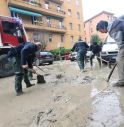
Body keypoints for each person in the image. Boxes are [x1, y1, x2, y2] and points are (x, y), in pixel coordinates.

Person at [96, 15, 124, 86]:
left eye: (100, 30)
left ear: (104, 27)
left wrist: (119, 54)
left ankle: (122, 81)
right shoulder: (117, 21)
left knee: (119, 59)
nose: (101, 32)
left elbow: (121, 44)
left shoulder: (112, 29)